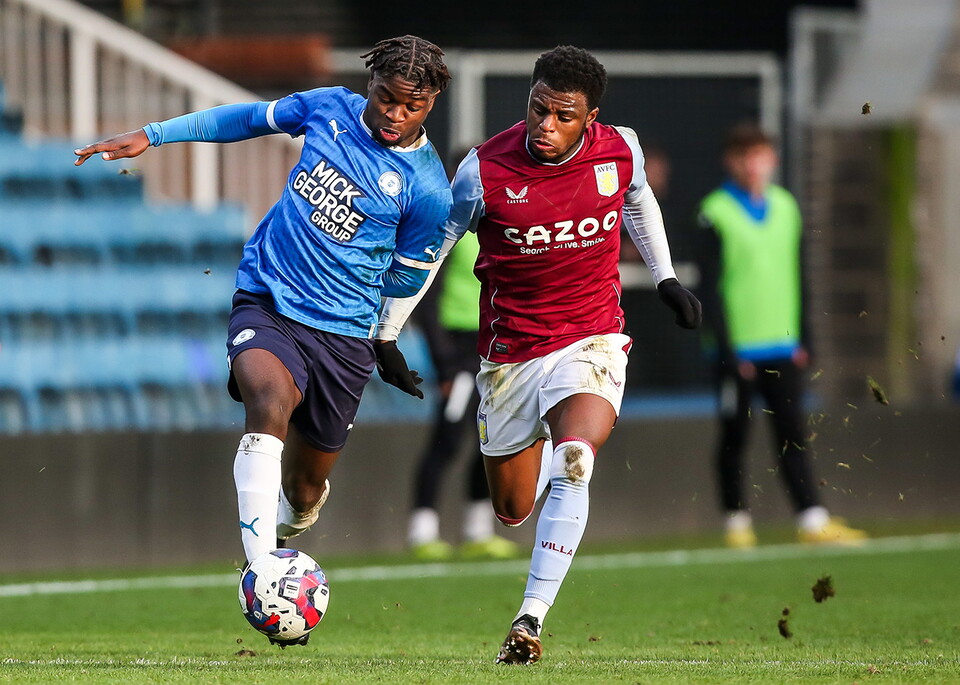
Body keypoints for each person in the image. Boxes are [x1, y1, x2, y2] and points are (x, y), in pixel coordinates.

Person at [75, 35, 452, 644]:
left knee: (303, 491)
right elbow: (248, 118)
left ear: (430, 103)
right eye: (385, 97)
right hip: (268, 300)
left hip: (344, 336)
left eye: (411, 106)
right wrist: (156, 133)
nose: (394, 114)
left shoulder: (427, 188)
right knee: (268, 403)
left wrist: (385, 340)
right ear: (370, 85)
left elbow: (411, 273)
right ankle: (264, 571)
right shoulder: (326, 108)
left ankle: (290, 523)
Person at [375, 45, 701, 664]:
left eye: (563, 116)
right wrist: (388, 334)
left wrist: (662, 277)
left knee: (577, 457)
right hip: (512, 355)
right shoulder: (481, 172)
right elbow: (433, 251)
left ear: (591, 117)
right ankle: (542, 454)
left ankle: (530, 618)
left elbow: (637, 199)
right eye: (538, 109)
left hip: (592, 335)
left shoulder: (619, 148)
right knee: (512, 509)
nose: (546, 126)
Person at [695, 122, 867, 549]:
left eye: (760, 155)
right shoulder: (714, 212)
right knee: (736, 435)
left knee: (793, 433)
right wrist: (730, 350)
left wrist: (805, 336)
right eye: (744, 156)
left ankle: (811, 517)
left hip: (783, 346)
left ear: (772, 160)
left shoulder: (787, 207)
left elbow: (799, 275)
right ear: (731, 162)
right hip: (738, 352)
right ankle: (736, 522)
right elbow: (709, 289)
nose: (753, 165)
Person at [407, 230, 520, 561]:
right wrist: (444, 364)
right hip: (458, 352)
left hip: (495, 349)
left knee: (494, 437)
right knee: (447, 439)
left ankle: (478, 529)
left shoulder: (503, 232)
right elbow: (427, 302)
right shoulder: (453, 236)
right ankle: (422, 529)